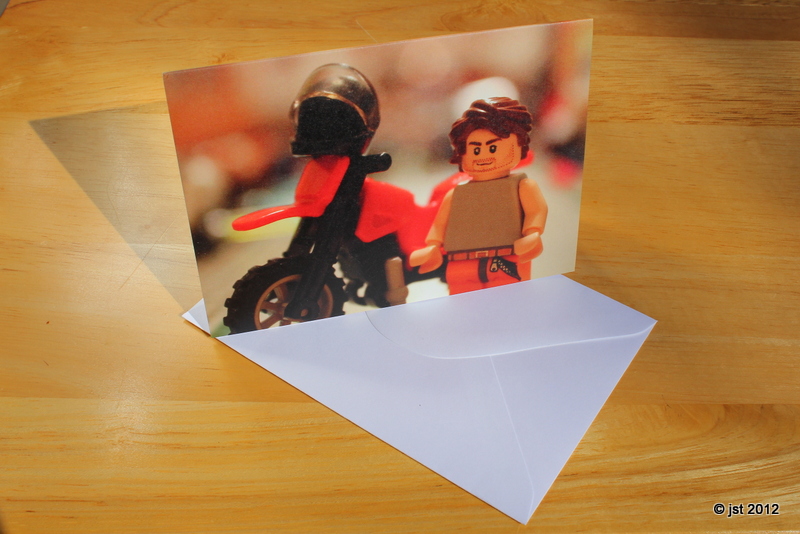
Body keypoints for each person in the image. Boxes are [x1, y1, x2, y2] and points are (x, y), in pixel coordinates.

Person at [410, 97, 548, 295]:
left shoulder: (522, 186)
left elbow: (536, 210)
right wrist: (433, 246)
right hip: (461, 263)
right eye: (475, 149)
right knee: (464, 304)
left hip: (506, 258)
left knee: (508, 301)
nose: (483, 156)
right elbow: (440, 224)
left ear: (518, 145)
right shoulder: (455, 194)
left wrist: (532, 233)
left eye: (492, 148)